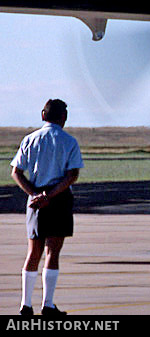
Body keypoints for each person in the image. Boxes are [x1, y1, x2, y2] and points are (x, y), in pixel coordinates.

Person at [10, 99, 83, 316]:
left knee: (33, 252)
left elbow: (16, 171)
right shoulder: (69, 142)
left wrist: (35, 195)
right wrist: (49, 195)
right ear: (64, 118)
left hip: (35, 198)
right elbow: (72, 176)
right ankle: (48, 304)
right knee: (53, 251)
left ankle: (25, 305)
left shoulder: (30, 139)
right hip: (58, 198)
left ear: (43, 115)